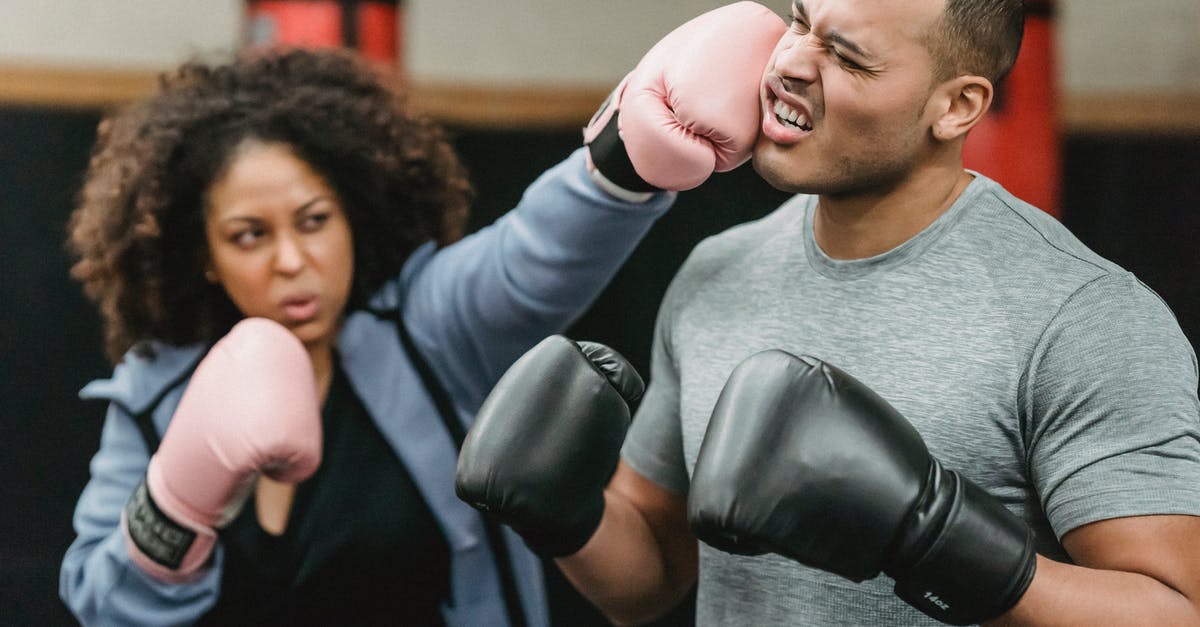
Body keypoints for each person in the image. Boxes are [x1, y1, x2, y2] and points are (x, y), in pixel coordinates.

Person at [455, 0, 1200, 625]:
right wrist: (567, 515)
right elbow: (647, 577)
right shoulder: (718, 270)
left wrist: (929, 533)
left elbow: (1174, 609)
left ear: (957, 106)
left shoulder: (1082, 315)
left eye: (847, 56)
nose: (789, 63)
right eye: (800, 20)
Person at [57, 9, 786, 622]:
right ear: (206, 256)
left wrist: (628, 150)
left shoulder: (426, 329)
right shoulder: (153, 393)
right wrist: (174, 508)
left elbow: (531, 256)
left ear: (351, 217)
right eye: (250, 235)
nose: (291, 259)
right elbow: (100, 603)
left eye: (314, 220)